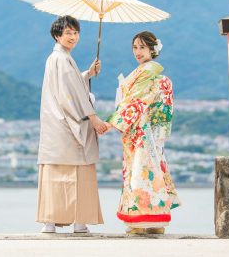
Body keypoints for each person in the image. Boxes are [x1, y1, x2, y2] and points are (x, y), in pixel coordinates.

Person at [37, 15, 108, 234]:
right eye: (68, 33)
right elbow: (72, 94)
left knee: (54, 173)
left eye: (76, 32)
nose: (73, 37)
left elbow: (72, 84)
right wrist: (92, 117)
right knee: (79, 173)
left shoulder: (56, 58)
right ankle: (80, 223)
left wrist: (87, 74)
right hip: (68, 123)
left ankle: (50, 222)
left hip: (53, 126)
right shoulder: (63, 59)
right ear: (57, 35)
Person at [106, 31, 180, 234]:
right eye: (134, 48)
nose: (137, 52)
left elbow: (134, 102)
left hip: (141, 132)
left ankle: (139, 221)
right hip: (153, 133)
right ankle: (157, 223)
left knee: (139, 174)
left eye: (142, 47)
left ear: (152, 50)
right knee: (154, 173)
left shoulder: (147, 73)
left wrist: (113, 122)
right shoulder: (155, 75)